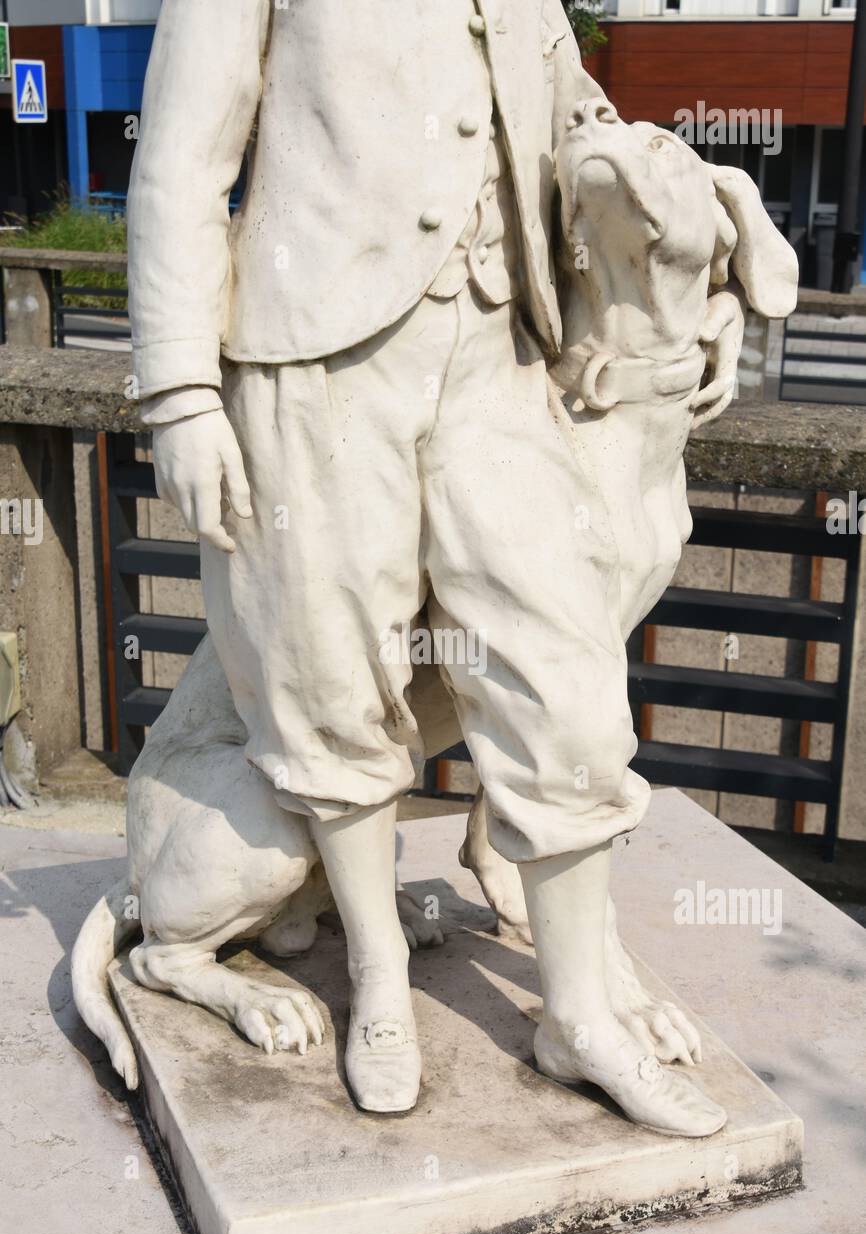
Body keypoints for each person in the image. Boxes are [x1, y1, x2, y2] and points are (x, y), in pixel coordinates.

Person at [128, 0, 726, 1135]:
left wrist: (715, 279)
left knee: (561, 667)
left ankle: (578, 1014)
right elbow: (179, 161)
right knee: (327, 676)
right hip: (310, 358)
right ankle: (378, 971)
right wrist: (180, 391)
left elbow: (579, 128)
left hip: (499, 354)